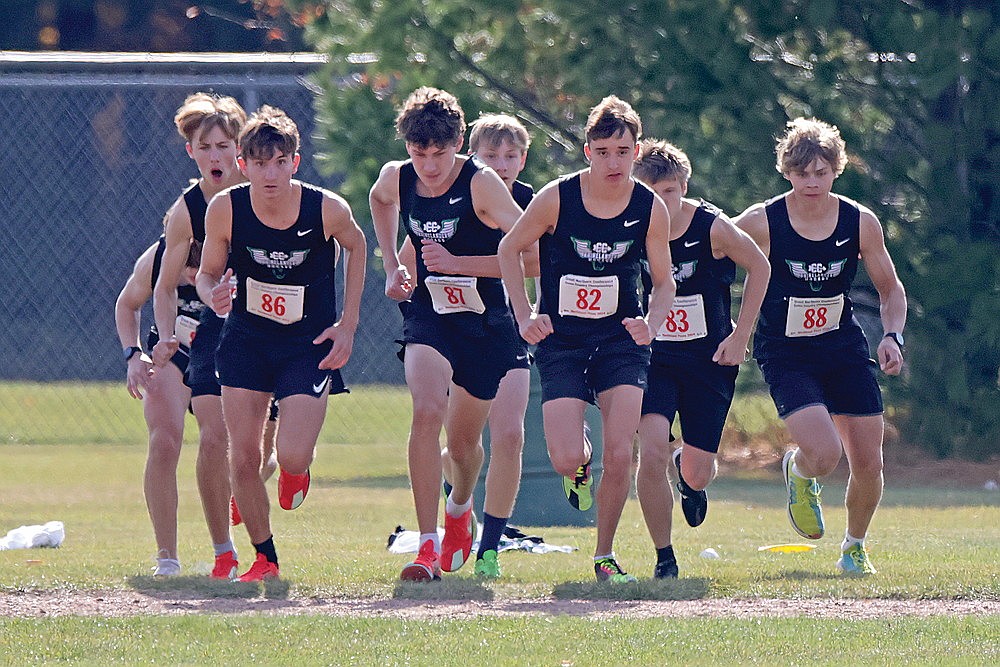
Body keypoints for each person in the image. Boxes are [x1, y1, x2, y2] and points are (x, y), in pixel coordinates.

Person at [498, 95, 675, 583]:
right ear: (587, 152)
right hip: (563, 341)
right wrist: (524, 313)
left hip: (622, 340)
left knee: (623, 452)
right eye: (603, 151)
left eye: (622, 151)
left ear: (636, 151)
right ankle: (578, 462)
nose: (612, 162)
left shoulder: (648, 207)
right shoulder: (557, 197)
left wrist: (652, 323)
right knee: (566, 456)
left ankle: (604, 555)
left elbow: (664, 282)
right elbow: (508, 247)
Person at [197, 105, 366, 582]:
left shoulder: (325, 208)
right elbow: (208, 273)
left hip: (307, 344)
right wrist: (215, 295)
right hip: (246, 341)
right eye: (259, 162)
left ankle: (296, 469)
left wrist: (347, 324)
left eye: (279, 161)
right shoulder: (225, 208)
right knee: (243, 456)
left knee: (290, 454)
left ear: (295, 161)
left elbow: (357, 246)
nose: (269, 173)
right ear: (243, 165)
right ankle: (264, 557)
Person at [734, 117, 906, 576]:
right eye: (802, 172)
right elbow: (707, 248)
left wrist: (892, 336)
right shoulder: (762, 220)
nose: (812, 182)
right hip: (785, 351)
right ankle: (800, 471)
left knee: (869, 460)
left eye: (821, 172)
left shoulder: (859, 221)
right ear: (787, 171)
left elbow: (890, 290)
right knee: (826, 455)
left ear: (836, 169)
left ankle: (854, 547)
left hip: (841, 346)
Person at [370, 88, 525, 582]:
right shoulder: (398, 176)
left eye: (440, 154)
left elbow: (528, 250)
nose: (430, 166)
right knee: (426, 409)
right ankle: (427, 547)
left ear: (459, 143)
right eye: (419, 154)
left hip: (485, 324)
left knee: (462, 447)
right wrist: (394, 264)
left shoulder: (481, 186)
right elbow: (378, 200)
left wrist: (461, 264)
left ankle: (460, 507)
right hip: (429, 313)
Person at [632, 139, 770, 578]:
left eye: (669, 192)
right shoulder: (626, 226)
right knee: (649, 449)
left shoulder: (712, 227)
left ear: (684, 187)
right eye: (651, 193)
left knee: (698, 471)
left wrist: (740, 334)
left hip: (708, 357)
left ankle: (687, 474)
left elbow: (761, 267)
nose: (661, 203)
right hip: (650, 357)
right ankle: (664, 557)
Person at [434, 113, 536, 578]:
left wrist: (460, 264)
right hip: (458, 328)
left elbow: (530, 263)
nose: (501, 163)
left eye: (511, 155)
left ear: (524, 158)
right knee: (460, 445)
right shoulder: (457, 196)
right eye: (490, 155)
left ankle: (490, 546)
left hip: (509, 323)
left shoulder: (534, 203)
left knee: (510, 435)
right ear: (471, 156)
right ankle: (459, 505)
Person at [150, 92, 247, 579]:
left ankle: (246, 488)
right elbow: (161, 286)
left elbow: (318, 249)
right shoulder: (185, 212)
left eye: (224, 145)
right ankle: (202, 553)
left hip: (259, 331)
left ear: (239, 149)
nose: (216, 156)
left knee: (256, 455)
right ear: (192, 152)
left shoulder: (265, 187)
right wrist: (164, 338)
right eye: (205, 146)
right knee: (206, 437)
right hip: (202, 335)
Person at [115, 236, 204, 576]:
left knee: (239, 453)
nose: (195, 278)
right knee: (164, 442)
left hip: (230, 353)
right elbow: (127, 304)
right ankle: (167, 557)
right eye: (188, 269)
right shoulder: (160, 255)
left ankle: (228, 549)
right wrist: (133, 355)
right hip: (173, 351)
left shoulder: (241, 241)